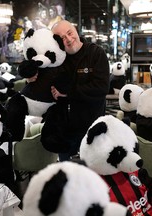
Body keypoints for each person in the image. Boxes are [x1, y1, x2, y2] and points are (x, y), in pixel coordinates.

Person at [50, 20, 110, 161]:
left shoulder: (96, 53)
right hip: (65, 133)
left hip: (92, 130)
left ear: (76, 30)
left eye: (69, 33)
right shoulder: (58, 60)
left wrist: (68, 93)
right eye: (62, 38)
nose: (69, 39)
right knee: (68, 177)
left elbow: (101, 88)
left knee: (93, 177)